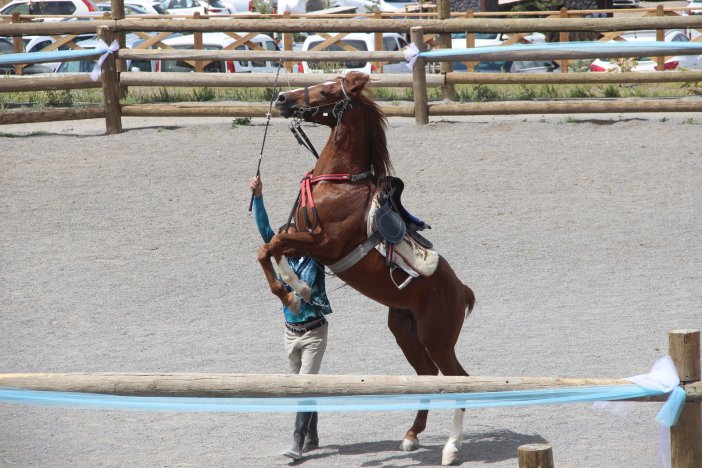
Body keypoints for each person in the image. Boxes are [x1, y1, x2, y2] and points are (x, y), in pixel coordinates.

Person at [249, 175, 332, 461]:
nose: (283, 241)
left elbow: (300, 297)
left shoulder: (313, 259)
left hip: (313, 332)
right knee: (303, 384)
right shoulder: (282, 252)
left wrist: (275, 262)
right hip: (290, 332)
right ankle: (313, 435)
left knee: (304, 385)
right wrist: (258, 196)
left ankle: (297, 443)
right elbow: (264, 230)